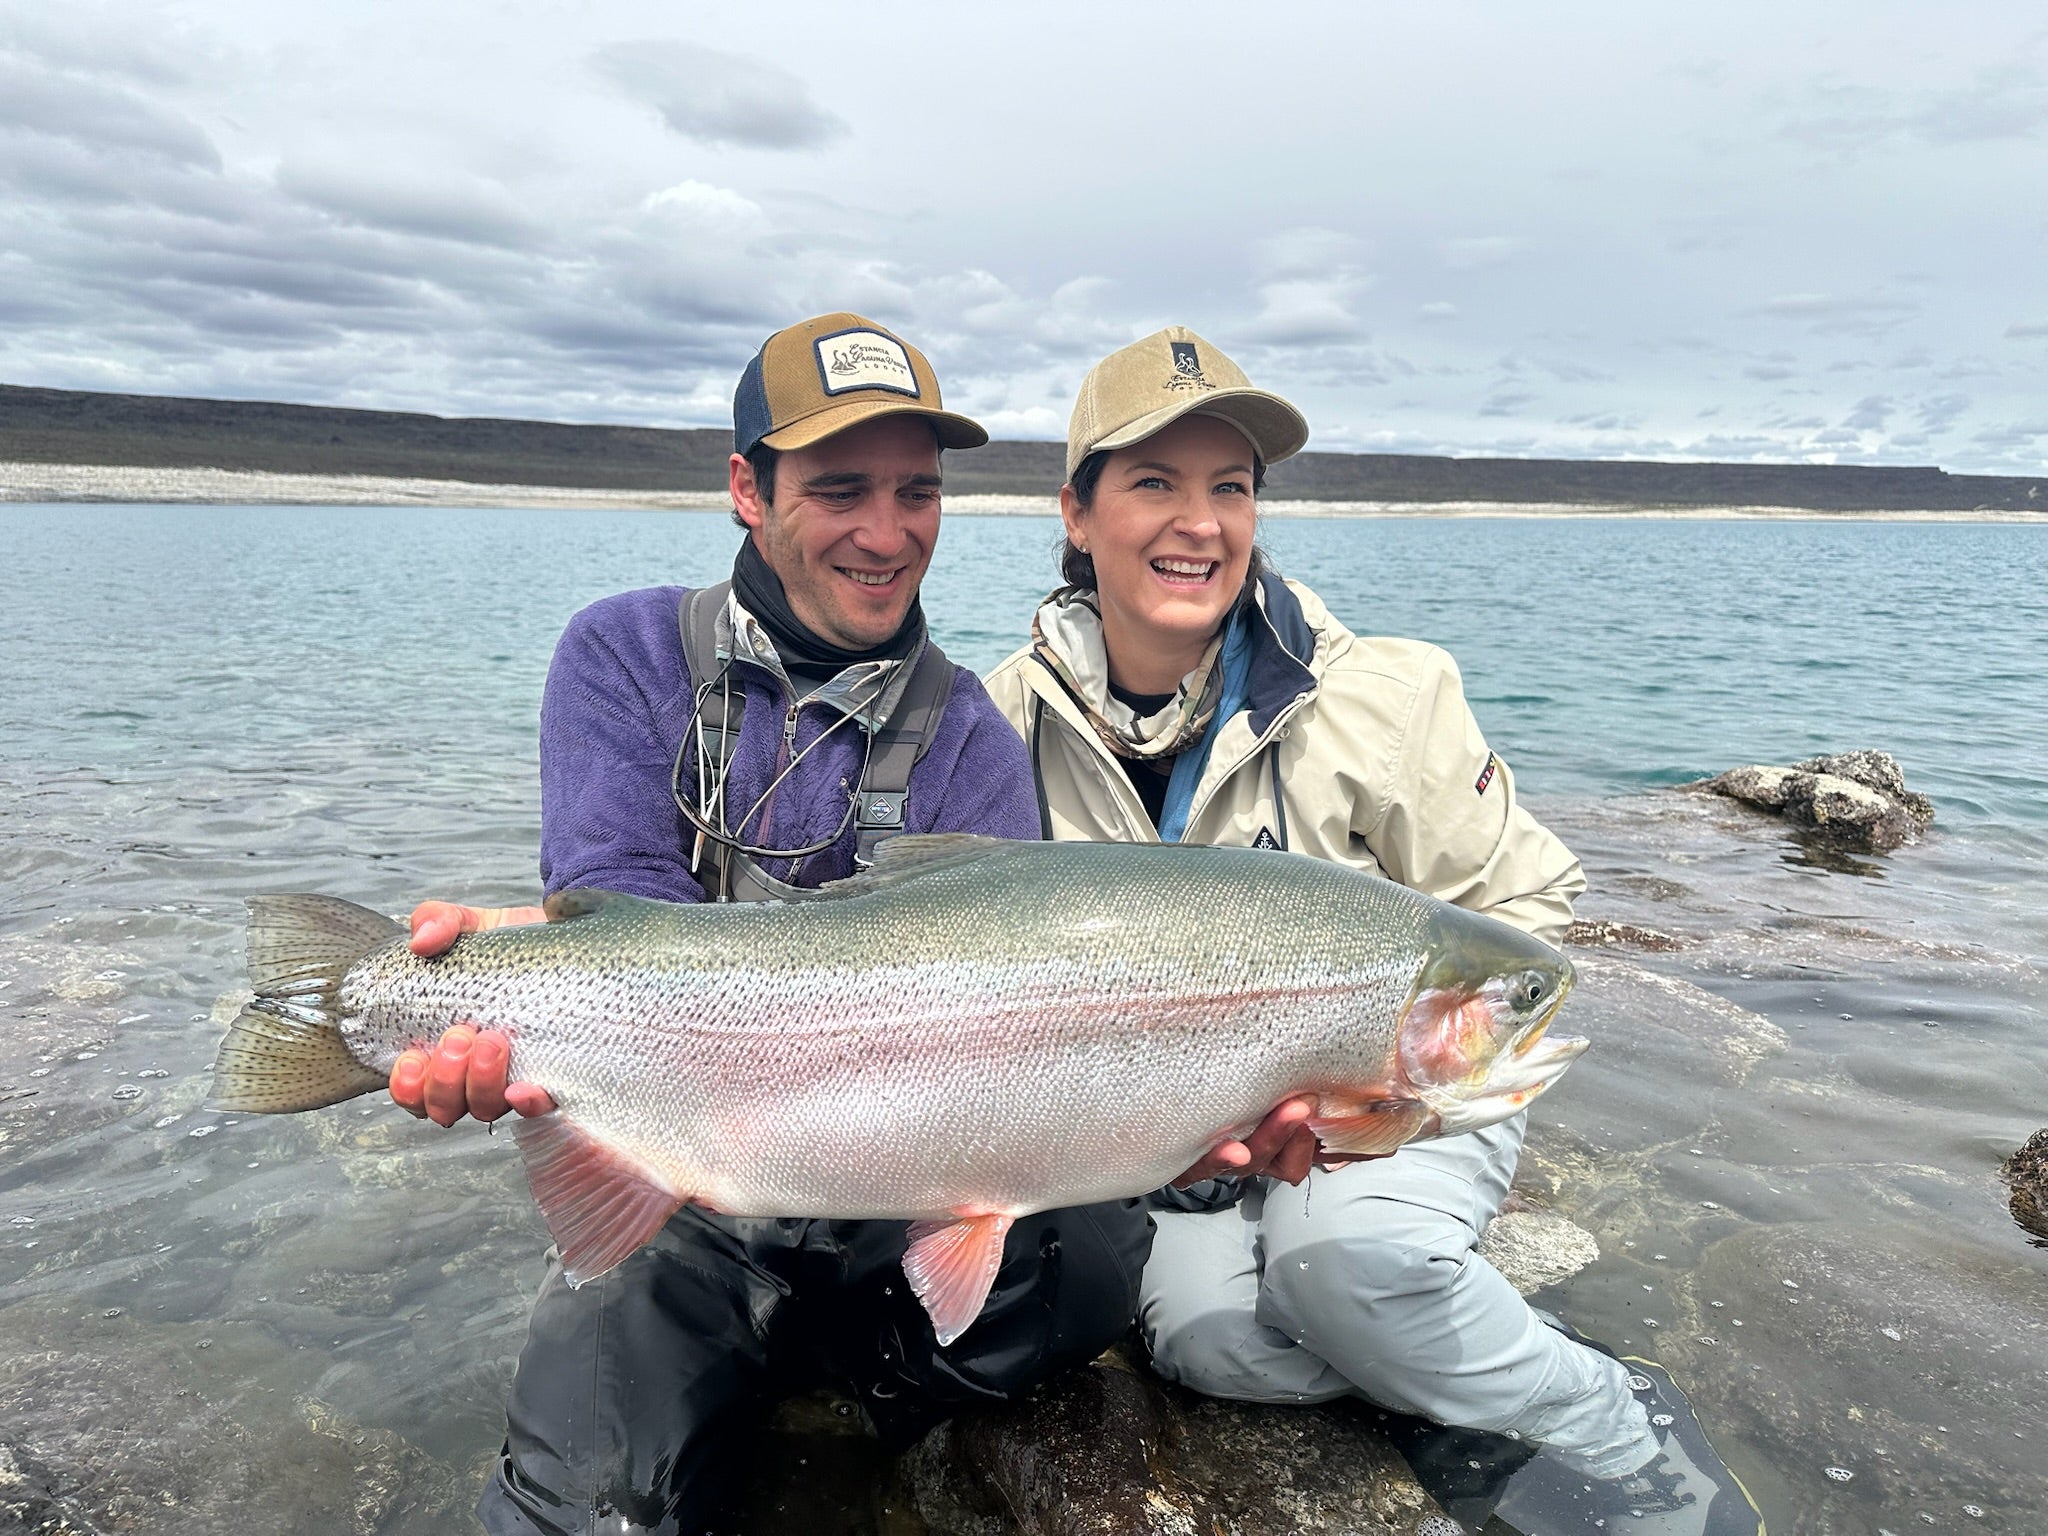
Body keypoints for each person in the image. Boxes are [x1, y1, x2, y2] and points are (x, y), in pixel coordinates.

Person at [981, 327, 1765, 1535]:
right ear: (1076, 514)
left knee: (1343, 1268)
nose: (1199, 523)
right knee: (1208, 1347)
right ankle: (1447, 1372)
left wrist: (1395, 1089)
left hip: (1385, 1105)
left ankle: (1606, 1415)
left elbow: (1523, 918)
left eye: (1229, 488)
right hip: (1175, 1145)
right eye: (1153, 483)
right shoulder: (997, 723)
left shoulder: (1389, 694)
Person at [387, 313, 1154, 1536]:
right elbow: (620, 912)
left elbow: (1000, 1018)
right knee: (585, 1504)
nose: (887, 533)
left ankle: (859, 1383)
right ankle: (724, 1372)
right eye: (840, 489)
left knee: (1101, 1246)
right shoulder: (624, 654)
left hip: (884, 1181)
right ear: (747, 488)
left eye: (917, 492)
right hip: (679, 1171)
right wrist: (504, 1002)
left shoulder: (972, 741)